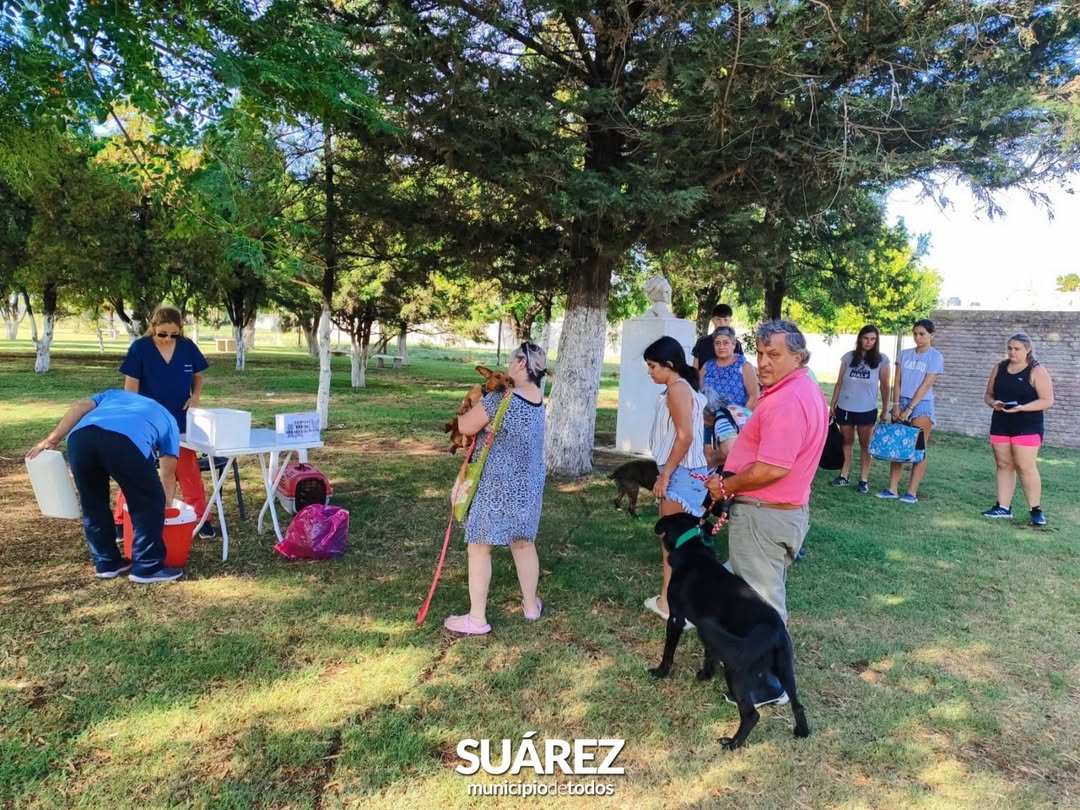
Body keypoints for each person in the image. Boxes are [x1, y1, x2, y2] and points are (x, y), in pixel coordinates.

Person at [705, 319, 827, 706]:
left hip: (764, 514)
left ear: (798, 357)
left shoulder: (787, 400)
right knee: (754, 592)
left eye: (774, 354)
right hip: (779, 511)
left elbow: (773, 467)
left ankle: (766, 683)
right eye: (759, 353)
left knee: (762, 602)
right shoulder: (803, 389)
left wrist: (727, 486)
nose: (763, 362)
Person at [444, 342, 548, 635]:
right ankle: (530, 606)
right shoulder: (538, 398)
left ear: (520, 365)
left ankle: (477, 618)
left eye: (512, 361)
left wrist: (467, 405)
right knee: (523, 543)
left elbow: (466, 426)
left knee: (479, 547)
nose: (508, 366)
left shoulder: (501, 398)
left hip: (496, 484)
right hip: (528, 483)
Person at [27, 389, 184, 583]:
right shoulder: (169, 419)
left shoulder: (113, 394)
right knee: (148, 501)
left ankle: (107, 563)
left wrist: (52, 440)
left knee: (93, 501)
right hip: (124, 442)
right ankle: (147, 566)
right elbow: (167, 472)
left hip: (80, 439)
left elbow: (80, 407)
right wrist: (165, 505)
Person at [114, 306, 215, 538]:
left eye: (174, 334)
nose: (168, 339)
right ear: (153, 328)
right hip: (147, 421)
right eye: (162, 334)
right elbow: (131, 387)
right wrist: (134, 418)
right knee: (135, 470)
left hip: (179, 419)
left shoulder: (187, 347)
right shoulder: (140, 348)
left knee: (188, 472)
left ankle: (200, 519)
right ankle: (121, 520)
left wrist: (195, 397)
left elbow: (198, 376)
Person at [642, 335, 709, 622]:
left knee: (673, 544)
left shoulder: (677, 389)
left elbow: (685, 436)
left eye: (653, 366)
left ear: (669, 365)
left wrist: (666, 474)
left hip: (680, 473)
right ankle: (676, 600)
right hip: (683, 472)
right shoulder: (680, 388)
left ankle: (671, 603)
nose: (650, 372)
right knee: (678, 541)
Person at [981, 333, 1055, 526]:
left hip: (1027, 425)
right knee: (1003, 464)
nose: (1012, 352)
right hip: (1001, 422)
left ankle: (1035, 510)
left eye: (1017, 349)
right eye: (1009, 348)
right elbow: (988, 395)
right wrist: (993, 403)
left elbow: (1047, 400)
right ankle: (1003, 507)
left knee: (1025, 466)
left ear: (1027, 350)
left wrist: (1022, 407)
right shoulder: (999, 368)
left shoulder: (1037, 371)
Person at [877, 319, 943, 503]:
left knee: (918, 448)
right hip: (902, 400)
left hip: (921, 404)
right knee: (898, 445)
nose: (918, 338)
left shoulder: (935, 357)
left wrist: (910, 408)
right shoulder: (904, 354)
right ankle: (892, 488)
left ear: (931, 335)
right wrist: (897, 404)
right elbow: (897, 381)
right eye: (915, 334)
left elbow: (926, 384)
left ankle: (912, 492)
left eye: (922, 334)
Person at [829, 324, 890, 493]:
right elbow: (839, 382)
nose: (869, 342)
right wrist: (833, 403)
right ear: (860, 339)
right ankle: (844, 475)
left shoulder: (882, 360)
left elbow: (885, 386)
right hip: (845, 408)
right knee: (846, 442)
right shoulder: (848, 357)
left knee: (865, 445)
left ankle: (863, 479)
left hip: (866, 409)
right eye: (865, 338)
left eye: (872, 339)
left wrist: (885, 409)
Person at [699, 325, 760, 460]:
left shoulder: (744, 366)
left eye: (726, 342)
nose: (721, 347)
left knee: (728, 456)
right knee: (707, 458)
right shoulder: (707, 366)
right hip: (708, 421)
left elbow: (754, 397)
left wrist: (737, 421)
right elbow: (698, 393)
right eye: (717, 343)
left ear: (734, 344)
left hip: (735, 424)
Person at [692, 303, 744, 370]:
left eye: (725, 320)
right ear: (713, 320)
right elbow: (695, 369)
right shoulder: (702, 342)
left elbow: (742, 367)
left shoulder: (735, 344)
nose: (722, 323)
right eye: (718, 319)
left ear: (730, 321)